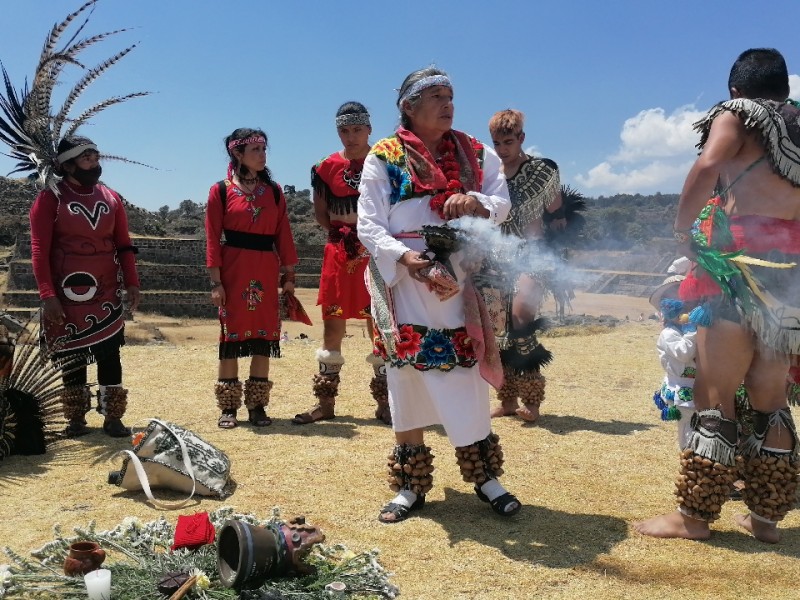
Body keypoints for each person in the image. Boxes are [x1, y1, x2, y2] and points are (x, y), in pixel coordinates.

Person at [635, 48, 800, 543]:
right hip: (790, 276)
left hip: (738, 267)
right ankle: (766, 519)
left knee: (714, 392)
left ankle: (695, 517)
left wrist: (684, 229)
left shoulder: (737, 114)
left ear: (735, 89)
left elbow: (709, 164)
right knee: (773, 397)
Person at [358, 67, 521, 523]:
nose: (448, 103)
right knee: (406, 374)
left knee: (464, 372)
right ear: (408, 106)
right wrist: (406, 259)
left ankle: (485, 476)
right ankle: (410, 486)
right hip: (406, 279)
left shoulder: (474, 150)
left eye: (451, 95)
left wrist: (474, 202)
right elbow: (368, 223)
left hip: (459, 276)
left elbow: (501, 203)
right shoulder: (384, 154)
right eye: (435, 96)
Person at [29, 136, 141, 438]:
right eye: (86, 156)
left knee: (110, 352)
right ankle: (76, 418)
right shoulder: (50, 198)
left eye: (95, 155)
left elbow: (124, 245)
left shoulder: (111, 198)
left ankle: (113, 416)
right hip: (66, 290)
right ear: (67, 164)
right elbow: (39, 249)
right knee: (72, 353)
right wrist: (47, 295)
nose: (94, 161)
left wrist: (132, 281)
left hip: (105, 288)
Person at [292, 102, 390, 426]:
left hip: (375, 254)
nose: (351, 136)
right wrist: (345, 235)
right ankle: (325, 403)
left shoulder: (387, 161)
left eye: (357, 129)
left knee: (380, 326)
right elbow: (322, 214)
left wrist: (369, 238)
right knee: (332, 328)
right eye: (344, 131)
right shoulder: (325, 167)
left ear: (369, 129)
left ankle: (387, 404)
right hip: (339, 253)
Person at [206, 128, 299, 429]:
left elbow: (283, 233)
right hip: (233, 270)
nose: (262, 155)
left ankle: (257, 405)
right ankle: (228, 407)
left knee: (264, 338)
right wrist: (215, 281)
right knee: (230, 339)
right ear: (238, 154)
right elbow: (211, 238)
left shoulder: (273, 191)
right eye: (256, 149)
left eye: (263, 148)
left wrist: (289, 274)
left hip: (265, 270)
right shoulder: (220, 191)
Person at [486, 109, 566, 422]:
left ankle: (531, 400)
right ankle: (506, 400)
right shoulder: (490, 174)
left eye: (508, 141)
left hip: (533, 256)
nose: (502, 148)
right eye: (497, 142)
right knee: (498, 330)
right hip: (496, 258)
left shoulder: (541, 171)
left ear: (521, 138)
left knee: (521, 319)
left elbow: (557, 213)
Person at [649, 271, 697, 449]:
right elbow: (684, 352)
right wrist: (693, 329)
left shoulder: (682, 330)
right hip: (683, 392)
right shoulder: (669, 334)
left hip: (697, 388)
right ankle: (689, 460)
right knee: (689, 432)